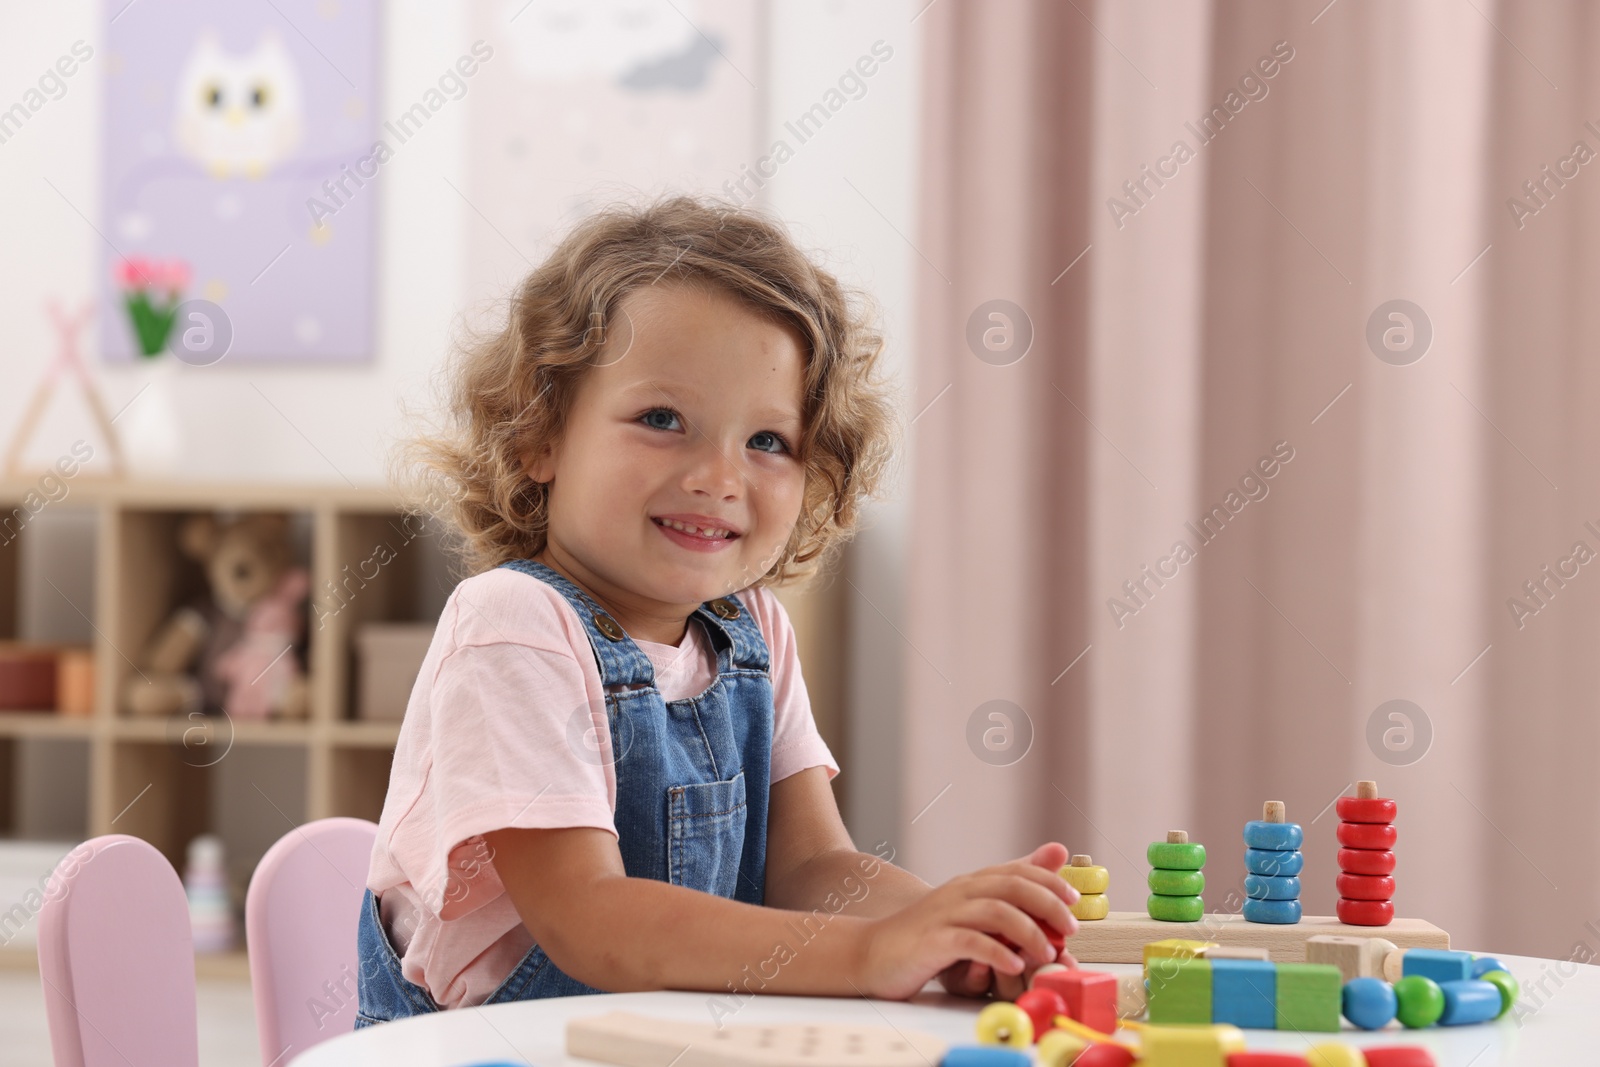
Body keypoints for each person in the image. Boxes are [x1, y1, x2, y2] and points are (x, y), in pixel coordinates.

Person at [355, 195, 1078, 1025]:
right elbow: (590, 919)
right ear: (538, 434)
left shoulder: (751, 629)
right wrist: (876, 952)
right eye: (663, 419)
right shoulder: (512, 624)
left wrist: (948, 926)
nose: (718, 476)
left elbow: (812, 867)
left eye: (767, 441)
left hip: (663, 1038)